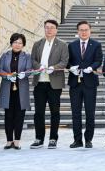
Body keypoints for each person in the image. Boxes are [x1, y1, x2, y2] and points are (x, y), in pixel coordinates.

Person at [30, 19, 69, 149]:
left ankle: (53, 138)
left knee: (55, 112)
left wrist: (54, 67)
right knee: (38, 112)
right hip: (39, 82)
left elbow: (64, 61)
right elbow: (33, 60)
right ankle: (39, 138)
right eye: (47, 27)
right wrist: (39, 66)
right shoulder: (37, 44)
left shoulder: (63, 45)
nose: (49, 30)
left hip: (54, 83)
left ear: (56, 30)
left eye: (52, 27)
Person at [67, 20, 102, 148]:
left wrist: (91, 67)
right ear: (78, 31)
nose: (84, 32)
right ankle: (77, 140)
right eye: (81, 30)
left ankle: (88, 139)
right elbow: (67, 61)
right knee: (75, 113)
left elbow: (98, 60)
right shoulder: (72, 45)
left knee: (89, 112)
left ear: (90, 31)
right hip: (75, 83)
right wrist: (71, 67)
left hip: (90, 83)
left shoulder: (96, 45)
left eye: (86, 30)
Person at [0, 33, 32, 150]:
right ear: (11, 43)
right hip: (7, 88)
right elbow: (0, 69)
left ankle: (17, 140)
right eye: (15, 42)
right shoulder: (5, 55)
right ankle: (9, 140)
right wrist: (7, 75)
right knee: (8, 115)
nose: (17, 45)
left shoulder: (27, 56)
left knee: (19, 115)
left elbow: (29, 70)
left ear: (23, 45)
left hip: (21, 89)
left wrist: (25, 74)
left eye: (20, 43)